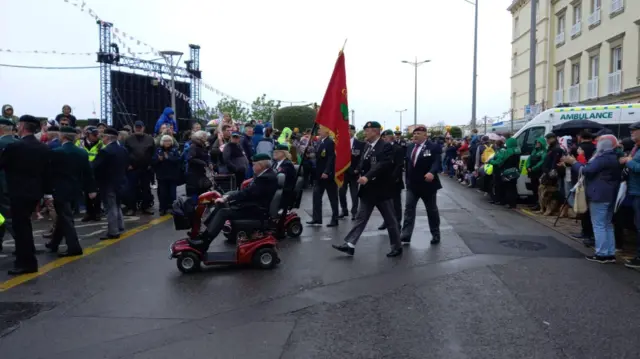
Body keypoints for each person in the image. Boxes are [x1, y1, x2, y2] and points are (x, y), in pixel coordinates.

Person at [331, 121, 402, 258]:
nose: (365, 133)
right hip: (368, 189)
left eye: (367, 131)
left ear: (375, 131)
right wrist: (357, 171)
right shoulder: (367, 146)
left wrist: (368, 177)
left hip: (381, 190)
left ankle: (397, 246)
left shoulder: (385, 146)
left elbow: (383, 165)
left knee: (390, 220)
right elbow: (363, 162)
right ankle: (350, 245)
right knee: (361, 218)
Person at [1, 115, 52, 275]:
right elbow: (47, 173)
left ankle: (25, 263)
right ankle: (28, 258)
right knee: (25, 226)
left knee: (21, 227)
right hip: (35, 192)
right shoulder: (43, 148)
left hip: (17, 192)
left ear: (22, 126)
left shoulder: (15, 147)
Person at [197, 153, 278, 246]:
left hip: (256, 210)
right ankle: (205, 234)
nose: (252, 166)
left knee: (223, 212)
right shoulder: (265, 175)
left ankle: (205, 242)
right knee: (221, 206)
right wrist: (228, 199)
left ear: (261, 165)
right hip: (253, 205)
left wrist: (228, 198)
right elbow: (248, 192)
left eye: (254, 164)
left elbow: (247, 193)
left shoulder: (265, 178)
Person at [565, 134, 621, 263]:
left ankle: (601, 253)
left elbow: (587, 170)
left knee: (599, 225)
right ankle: (610, 253)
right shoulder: (614, 157)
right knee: (607, 224)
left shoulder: (601, 158)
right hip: (611, 194)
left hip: (599, 194)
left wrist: (574, 162)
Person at [45, 126, 97, 256]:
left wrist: (47, 191)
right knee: (64, 217)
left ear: (62, 136)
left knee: (66, 218)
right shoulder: (82, 153)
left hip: (60, 189)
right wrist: (91, 189)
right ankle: (54, 243)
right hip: (75, 189)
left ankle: (74, 247)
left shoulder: (57, 152)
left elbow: (49, 173)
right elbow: (88, 173)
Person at [400, 125, 442, 245]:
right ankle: (406, 235)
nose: (415, 135)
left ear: (425, 135)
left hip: (428, 185)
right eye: (414, 134)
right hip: (412, 185)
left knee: (431, 210)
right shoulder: (410, 147)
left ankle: (435, 234)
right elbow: (408, 165)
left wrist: (432, 172)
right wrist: (407, 181)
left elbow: (436, 162)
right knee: (409, 209)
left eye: (418, 133)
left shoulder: (433, 147)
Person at [93, 127, 129, 240]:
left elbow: (96, 166)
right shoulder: (122, 150)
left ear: (107, 138)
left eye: (103, 136)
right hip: (120, 181)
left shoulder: (105, 151)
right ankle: (120, 226)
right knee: (117, 205)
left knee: (110, 207)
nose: (102, 138)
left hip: (108, 182)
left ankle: (113, 231)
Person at [308, 126, 339, 227]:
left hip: (327, 175)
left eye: (320, 130)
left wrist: (327, 171)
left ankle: (335, 219)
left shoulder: (329, 142)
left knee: (333, 198)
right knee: (316, 196)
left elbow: (331, 158)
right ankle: (316, 218)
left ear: (326, 132)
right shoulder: (320, 142)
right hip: (319, 175)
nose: (319, 132)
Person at [123, 121, 155, 215]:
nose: (138, 129)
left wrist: (151, 164)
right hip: (132, 168)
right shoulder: (128, 139)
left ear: (143, 128)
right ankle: (131, 208)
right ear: (133, 128)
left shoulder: (149, 139)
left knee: (146, 188)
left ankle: (146, 207)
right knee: (131, 189)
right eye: (136, 127)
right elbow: (125, 153)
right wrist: (127, 165)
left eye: (140, 127)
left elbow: (153, 152)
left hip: (146, 168)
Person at [620, 122, 640, 268]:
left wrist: (629, 161)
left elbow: (638, 167)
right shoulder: (635, 148)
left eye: (634, 131)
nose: (631, 133)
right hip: (633, 190)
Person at [378, 129, 405, 230]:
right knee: (385, 203)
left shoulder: (397, 148)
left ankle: (397, 222)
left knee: (396, 203)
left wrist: (393, 178)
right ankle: (387, 221)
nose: (383, 139)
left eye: (385, 137)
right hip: (383, 180)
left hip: (394, 180)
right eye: (383, 137)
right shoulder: (382, 148)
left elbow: (399, 165)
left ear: (390, 137)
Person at [78, 126, 104, 221]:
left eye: (97, 135)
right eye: (94, 135)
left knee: (97, 193)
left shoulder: (100, 144)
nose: (96, 136)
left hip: (96, 171)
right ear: (87, 134)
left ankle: (97, 213)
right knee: (86, 193)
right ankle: (89, 212)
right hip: (83, 170)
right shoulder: (79, 142)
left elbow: (102, 156)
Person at [339, 124, 364, 220]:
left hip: (354, 172)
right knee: (341, 192)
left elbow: (362, 158)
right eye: (346, 130)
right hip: (343, 172)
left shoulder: (360, 144)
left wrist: (358, 169)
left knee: (354, 194)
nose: (348, 132)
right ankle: (344, 210)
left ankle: (354, 212)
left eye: (350, 130)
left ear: (354, 131)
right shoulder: (341, 143)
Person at [152, 135, 181, 215]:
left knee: (172, 193)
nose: (167, 143)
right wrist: (158, 159)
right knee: (162, 193)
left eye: (168, 141)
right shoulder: (158, 150)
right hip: (162, 176)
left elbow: (178, 160)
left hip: (172, 176)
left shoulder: (175, 150)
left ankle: (172, 207)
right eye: (165, 141)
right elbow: (153, 161)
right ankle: (162, 208)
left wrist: (168, 158)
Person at [0, 119, 17, 253]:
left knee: (7, 216)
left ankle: (22, 242)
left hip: (2, 185)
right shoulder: (20, 143)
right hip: (19, 185)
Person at [525, 136, 547, 211]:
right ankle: (534, 202)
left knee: (538, 189)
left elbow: (542, 161)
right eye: (536, 142)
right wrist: (528, 166)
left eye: (538, 143)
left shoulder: (544, 152)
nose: (537, 144)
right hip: (532, 172)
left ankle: (539, 204)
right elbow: (529, 159)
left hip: (538, 172)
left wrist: (534, 168)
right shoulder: (534, 151)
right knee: (534, 188)